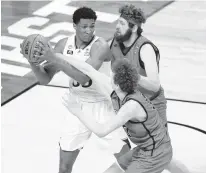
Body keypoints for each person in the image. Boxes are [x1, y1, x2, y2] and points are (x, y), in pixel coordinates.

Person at [21, 6, 128, 173]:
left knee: (128, 162)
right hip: (76, 105)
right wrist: (32, 62)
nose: (89, 30)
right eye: (84, 26)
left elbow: (85, 78)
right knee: (64, 168)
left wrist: (56, 59)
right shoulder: (64, 44)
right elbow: (45, 79)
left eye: (92, 26)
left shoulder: (100, 46)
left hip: (104, 106)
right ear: (74, 26)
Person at [61, 58, 173, 173]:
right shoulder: (119, 92)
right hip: (146, 148)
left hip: (156, 154)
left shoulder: (131, 106)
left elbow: (102, 131)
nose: (109, 76)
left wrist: (77, 111)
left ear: (117, 84)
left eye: (112, 75)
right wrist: (59, 55)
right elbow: (88, 70)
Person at [109, 4, 167, 126]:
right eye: (118, 22)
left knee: (158, 145)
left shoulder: (145, 49)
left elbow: (155, 86)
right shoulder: (115, 42)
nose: (117, 27)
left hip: (151, 105)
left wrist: (132, 75)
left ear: (134, 28)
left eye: (122, 24)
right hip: (126, 101)